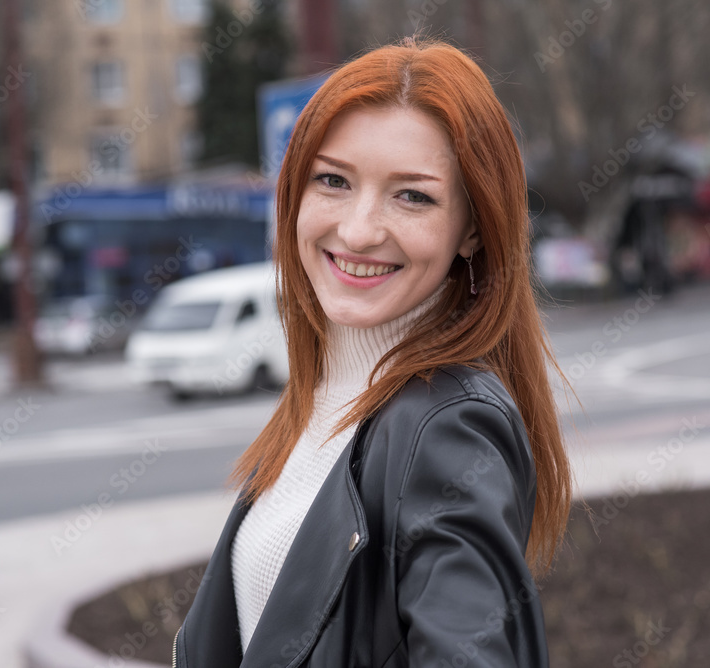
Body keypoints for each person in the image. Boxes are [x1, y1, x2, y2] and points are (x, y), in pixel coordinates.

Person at [173, 34, 574, 667]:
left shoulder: (446, 427)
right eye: (332, 180)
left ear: (471, 229)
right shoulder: (331, 399)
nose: (358, 230)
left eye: (412, 195)